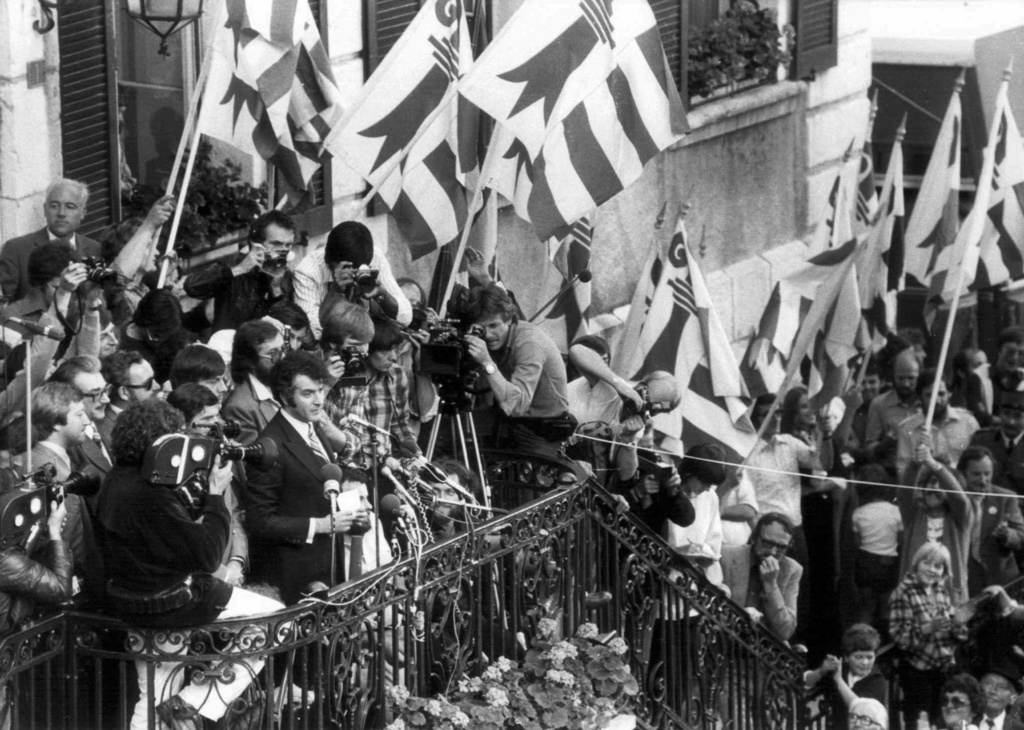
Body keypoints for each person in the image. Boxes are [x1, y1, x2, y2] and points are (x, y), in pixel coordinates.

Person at [94, 399, 283, 729]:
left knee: (150, 698)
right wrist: (215, 494)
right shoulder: (149, 491)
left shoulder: (117, 477)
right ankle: (194, 701)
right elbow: (208, 556)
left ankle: (183, 704)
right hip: (172, 602)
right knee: (275, 620)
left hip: (132, 602)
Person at [246, 352, 368, 605]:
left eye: (321, 391)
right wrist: (320, 525)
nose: (319, 401)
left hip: (327, 566)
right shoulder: (271, 446)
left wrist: (351, 511)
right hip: (292, 577)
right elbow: (260, 521)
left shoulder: (314, 428)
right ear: (284, 397)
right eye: (308, 394)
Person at [463, 283, 570, 459]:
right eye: (482, 328)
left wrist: (486, 361)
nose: (488, 335)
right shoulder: (495, 336)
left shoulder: (529, 344)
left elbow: (517, 405)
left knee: (528, 482)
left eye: (494, 326)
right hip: (507, 419)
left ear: (509, 319)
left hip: (540, 428)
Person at [166, 383, 248, 587]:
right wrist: (224, 575)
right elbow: (183, 540)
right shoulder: (169, 471)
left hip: (230, 574)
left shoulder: (218, 454)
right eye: (207, 420)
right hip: (196, 585)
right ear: (181, 424)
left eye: (217, 416)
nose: (217, 425)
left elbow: (234, 514)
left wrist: (237, 562)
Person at [181, 210, 300, 332]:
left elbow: (287, 322)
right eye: (276, 244)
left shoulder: (285, 275)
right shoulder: (233, 267)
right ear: (256, 244)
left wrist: (276, 290)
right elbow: (191, 287)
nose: (283, 250)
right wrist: (238, 270)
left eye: (288, 245)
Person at [323, 315, 420, 466]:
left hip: (383, 464)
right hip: (350, 464)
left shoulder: (397, 375)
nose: (393, 357)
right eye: (385, 351)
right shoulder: (345, 378)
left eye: (395, 350)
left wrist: (413, 454)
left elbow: (400, 423)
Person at [889, 542, 968, 725]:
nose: (932, 570)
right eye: (927, 563)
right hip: (918, 673)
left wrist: (958, 628)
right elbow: (899, 636)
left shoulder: (940, 591)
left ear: (944, 571)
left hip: (944, 669)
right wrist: (928, 627)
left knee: (941, 722)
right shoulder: (903, 593)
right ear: (916, 564)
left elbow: (949, 633)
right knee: (919, 723)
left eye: (938, 566)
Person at [292, 220, 412, 340]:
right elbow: (310, 335)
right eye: (349, 270)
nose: (354, 278)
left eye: (358, 270)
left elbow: (405, 317)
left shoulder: (373, 256)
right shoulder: (307, 272)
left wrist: (382, 295)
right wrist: (335, 292)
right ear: (330, 262)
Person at [0, 178, 101, 302]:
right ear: (45, 209)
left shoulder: (95, 249)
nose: (61, 213)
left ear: (83, 212)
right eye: (54, 206)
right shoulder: (16, 249)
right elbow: (4, 303)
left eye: (70, 207)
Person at [899, 443, 972, 605]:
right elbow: (904, 490)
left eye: (940, 484)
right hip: (914, 600)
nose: (933, 488)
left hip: (950, 600)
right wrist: (915, 463)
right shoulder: (913, 516)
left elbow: (960, 499)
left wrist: (934, 465)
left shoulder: (960, 519)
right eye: (930, 483)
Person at [720, 512, 802, 641]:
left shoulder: (792, 570)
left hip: (762, 650)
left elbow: (785, 631)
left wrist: (771, 585)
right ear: (754, 537)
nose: (773, 552)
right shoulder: (727, 556)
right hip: (725, 638)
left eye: (781, 547)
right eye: (767, 543)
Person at [958, 445, 1024, 595]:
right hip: (966, 582)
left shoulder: (1006, 498)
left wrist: (1007, 535)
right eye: (976, 474)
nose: (983, 480)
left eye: (987, 474)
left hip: (1001, 582)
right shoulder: (955, 499)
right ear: (963, 474)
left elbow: (1021, 537)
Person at [895, 369, 979, 479]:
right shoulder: (907, 428)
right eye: (929, 395)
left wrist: (949, 468)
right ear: (920, 397)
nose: (937, 401)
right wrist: (925, 464)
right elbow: (902, 474)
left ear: (950, 393)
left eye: (941, 394)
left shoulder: (968, 422)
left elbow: (980, 465)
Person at [804, 623, 888, 730]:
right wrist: (821, 671)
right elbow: (807, 682)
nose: (865, 662)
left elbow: (860, 708)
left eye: (869, 657)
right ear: (847, 657)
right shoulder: (841, 671)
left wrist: (839, 681)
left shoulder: (877, 680)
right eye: (858, 657)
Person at [850, 464, 903, 630]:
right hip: (889, 564)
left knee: (866, 609)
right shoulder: (896, 511)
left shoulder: (858, 513)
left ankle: (860, 643)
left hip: (865, 564)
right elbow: (900, 540)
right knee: (887, 609)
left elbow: (857, 543)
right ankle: (886, 648)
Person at [666, 443, 726, 586]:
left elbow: (714, 543)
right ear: (691, 473)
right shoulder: (670, 489)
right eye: (704, 482)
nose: (706, 488)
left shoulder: (711, 497)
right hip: (665, 570)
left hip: (693, 576)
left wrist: (705, 553)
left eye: (710, 484)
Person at [221, 319, 285, 445]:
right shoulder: (240, 408)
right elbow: (253, 462)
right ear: (249, 361)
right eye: (273, 353)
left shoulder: (288, 382)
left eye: (283, 349)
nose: (282, 358)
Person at [47, 355, 113, 474]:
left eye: (106, 390)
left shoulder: (109, 425)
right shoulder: (66, 442)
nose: (106, 399)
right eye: (96, 393)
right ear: (67, 397)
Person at [865, 348, 922, 468]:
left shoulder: (928, 402)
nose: (906, 384)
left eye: (911, 378)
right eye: (901, 378)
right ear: (893, 376)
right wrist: (886, 444)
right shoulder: (879, 404)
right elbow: (868, 449)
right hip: (891, 470)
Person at [99, 350, 160, 446]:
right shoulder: (108, 435)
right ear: (124, 392)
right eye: (149, 383)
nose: (157, 386)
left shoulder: (153, 413)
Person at [969, 390, 1024, 496]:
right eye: (1006, 414)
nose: (1011, 421)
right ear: (999, 413)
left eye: (1018, 416)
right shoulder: (981, 440)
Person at [978, 664, 1024, 730]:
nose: (993, 691)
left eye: (1002, 687)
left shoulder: (1018, 728)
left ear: (1013, 698)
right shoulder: (965, 719)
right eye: (989, 683)